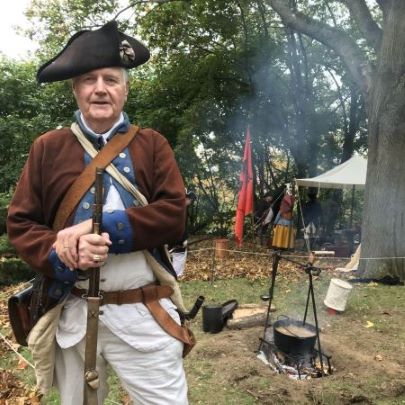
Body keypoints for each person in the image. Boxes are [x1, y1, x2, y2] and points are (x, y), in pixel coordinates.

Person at [7, 21, 190, 404]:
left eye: (111, 78)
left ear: (125, 89)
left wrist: (100, 231)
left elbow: (174, 214)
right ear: (76, 90)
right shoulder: (47, 148)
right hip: (72, 311)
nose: (100, 88)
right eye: (89, 79)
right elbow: (21, 225)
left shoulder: (152, 144)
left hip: (142, 313)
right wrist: (60, 251)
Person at [169, 190, 197, 277]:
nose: (189, 202)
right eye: (190, 200)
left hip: (175, 237)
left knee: (177, 256)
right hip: (176, 238)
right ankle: (176, 275)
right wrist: (182, 240)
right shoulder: (179, 209)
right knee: (179, 255)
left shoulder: (182, 208)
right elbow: (179, 226)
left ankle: (175, 274)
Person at [271, 184, 295, 249]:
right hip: (289, 225)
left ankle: (279, 246)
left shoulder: (282, 209)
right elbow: (293, 218)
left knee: (280, 236)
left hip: (281, 224)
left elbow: (278, 215)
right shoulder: (291, 211)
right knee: (286, 237)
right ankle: (285, 247)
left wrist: (275, 223)